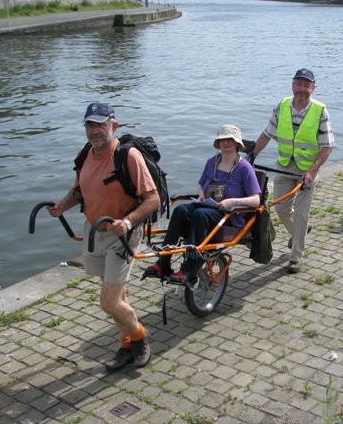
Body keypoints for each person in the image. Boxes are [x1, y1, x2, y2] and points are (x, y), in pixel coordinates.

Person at [47, 103, 160, 372]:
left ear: (114, 125)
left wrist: (127, 221)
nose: (95, 130)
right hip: (94, 230)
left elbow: (153, 199)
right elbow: (79, 190)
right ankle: (126, 345)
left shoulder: (128, 156)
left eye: (101, 124)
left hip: (122, 233)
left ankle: (140, 337)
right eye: (90, 125)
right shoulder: (85, 153)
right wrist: (62, 206)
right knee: (117, 299)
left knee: (108, 301)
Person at [144, 125, 261, 284]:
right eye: (222, 139)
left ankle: (189, 268)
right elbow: (201, 185)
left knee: (200, 214)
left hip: (229, 214)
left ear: (237, 144)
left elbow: (256, 200)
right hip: (208, 206)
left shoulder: (245, 168)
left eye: (230, 140)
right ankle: (163, 262)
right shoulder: (212, 162)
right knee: (180, 210)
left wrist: (233, 201)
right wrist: (200, 194)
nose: (225, 142)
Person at [252, 68, 335, 274]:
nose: (302, 89)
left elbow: (327, 146)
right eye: (298, 84)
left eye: (306, 85)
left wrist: (312, 170)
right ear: (292, 85)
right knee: (280, 208)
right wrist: (251, 156)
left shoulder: (320, 110)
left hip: (308, 169)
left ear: (313, 88)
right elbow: (267, 133)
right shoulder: (282, 106)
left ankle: (296, 256)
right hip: (284, 165)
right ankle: (300, 232)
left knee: (301, 213)